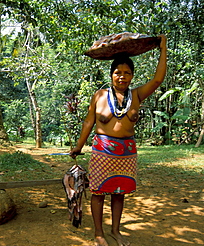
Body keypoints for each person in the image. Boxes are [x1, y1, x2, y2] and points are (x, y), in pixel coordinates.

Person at [69, 35, 167, 246]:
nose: (122, 77)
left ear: (132, 76)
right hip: (102, 151)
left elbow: (158, 79)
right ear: (111, 74)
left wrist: (163, 48)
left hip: (127, 152)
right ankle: (98, 233)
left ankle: (115, 230)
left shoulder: (137, 95)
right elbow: (88, 123)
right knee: (98, 192)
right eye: (117, 73)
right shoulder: (99, 95)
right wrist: (79, 146)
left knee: (119, 193)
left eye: (126, 73)